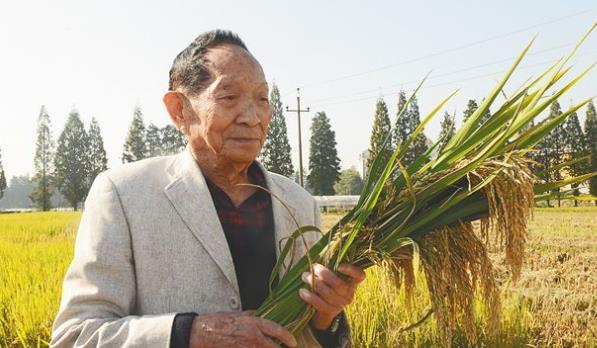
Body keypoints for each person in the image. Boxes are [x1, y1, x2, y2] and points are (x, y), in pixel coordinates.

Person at [50, 29, 365, 348]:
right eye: (229, 97)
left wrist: (327, 318)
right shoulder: (124, 194)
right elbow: (76, 335)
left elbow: (317, 335)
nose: (253, 117)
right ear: (179, 110)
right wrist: (188, 333)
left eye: (262, 99)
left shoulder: (298, 204)